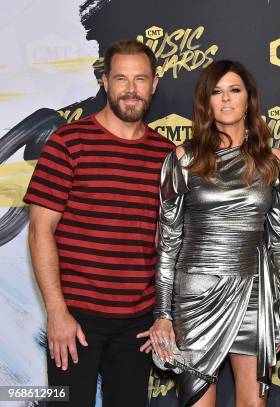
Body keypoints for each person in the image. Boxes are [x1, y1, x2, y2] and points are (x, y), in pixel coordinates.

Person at [23, 39, 175, 406]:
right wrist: (57, 312)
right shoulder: (68, 142)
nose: (131, 90)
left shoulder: (167, 155)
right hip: (75, 320)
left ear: (153, 85)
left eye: (140, 79)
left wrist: (164, 315)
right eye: (121, 79)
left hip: (137, 322)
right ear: (105, 82)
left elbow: (169, 241)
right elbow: (40, 230)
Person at [148, 60, 280, 407]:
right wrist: (163, 314)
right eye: (216, 92)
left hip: (255, 293)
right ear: (205, 102)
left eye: (235, 90)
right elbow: (168, 243)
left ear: (249, 99)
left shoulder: (274, 162)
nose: (226, 100)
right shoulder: (183, 160)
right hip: (195, 296)